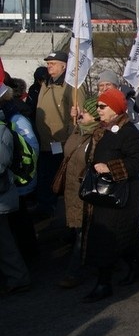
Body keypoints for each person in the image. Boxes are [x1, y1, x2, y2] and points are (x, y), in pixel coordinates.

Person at [80, 88, 139, 302]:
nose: (98, 110)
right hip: (102, 193)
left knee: (110, 238)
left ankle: (103, 284)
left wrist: (111, 167)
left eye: (103, 106)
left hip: (120, 195)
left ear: (116, 109)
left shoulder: (129, 133)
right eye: (98, 106)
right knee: (110, 238)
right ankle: (135, 265)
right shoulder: (103, 130)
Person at [57, 96, 100, 289]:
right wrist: (73, 124)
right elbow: (67, 149)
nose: (82, 113)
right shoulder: (79, 130)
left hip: (86, 191)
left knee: (83, 233)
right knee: (80, 232)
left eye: (87, 112)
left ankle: (74, 272)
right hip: (72, 190)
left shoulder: (99, 137)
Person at [34, 50, 82, 219]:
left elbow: (76, 117)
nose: (49, 66)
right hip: (44, 142)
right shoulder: (46, 84)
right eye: (48, 64)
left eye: (52, 64)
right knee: (45, 176)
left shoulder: (72, 86)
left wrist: (67, 140)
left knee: (58, 179)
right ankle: (45, 207)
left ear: (64, 66)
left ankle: (58, 214)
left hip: (60, 143)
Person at [0, 111, 30, 295]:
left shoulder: (2, 130)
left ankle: (18, 278)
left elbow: (1, 163)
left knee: (4, 241)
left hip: (1, 195)